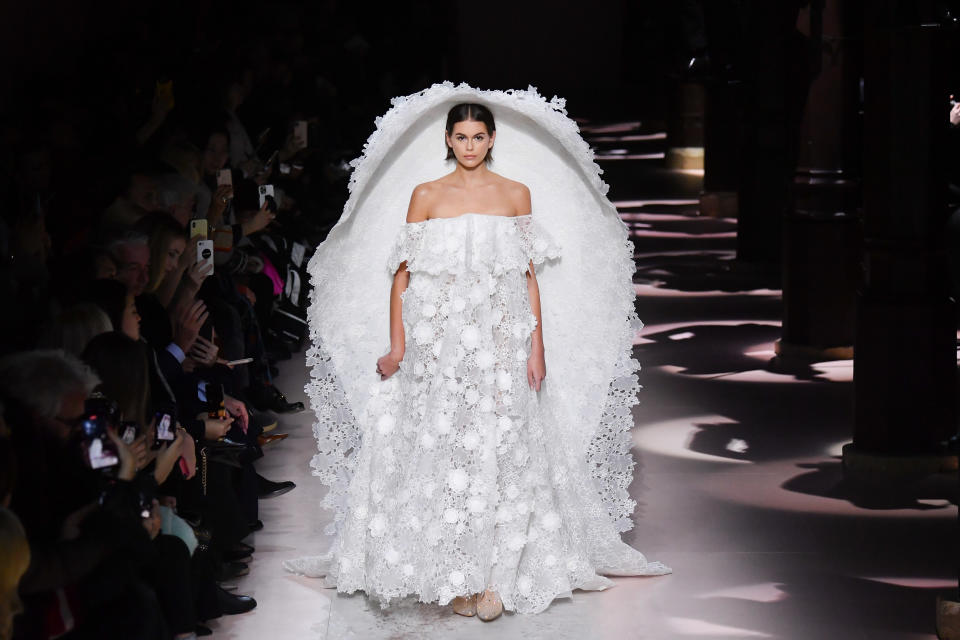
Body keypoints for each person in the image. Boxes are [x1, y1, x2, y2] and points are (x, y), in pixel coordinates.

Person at [285, 84, 670, 620]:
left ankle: (494, 575)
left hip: (500, 337)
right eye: (461, 137)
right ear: (448, 139)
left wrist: (538, 347)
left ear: (492, 140)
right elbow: (402, 276)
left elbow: (527, 275)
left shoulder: (515, 193)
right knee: (445, 449)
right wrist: (397, 347)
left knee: (503, 446)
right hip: (435, 342)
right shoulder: (426, 194)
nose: (470, 146)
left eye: (479, 137)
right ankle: (449, 571)